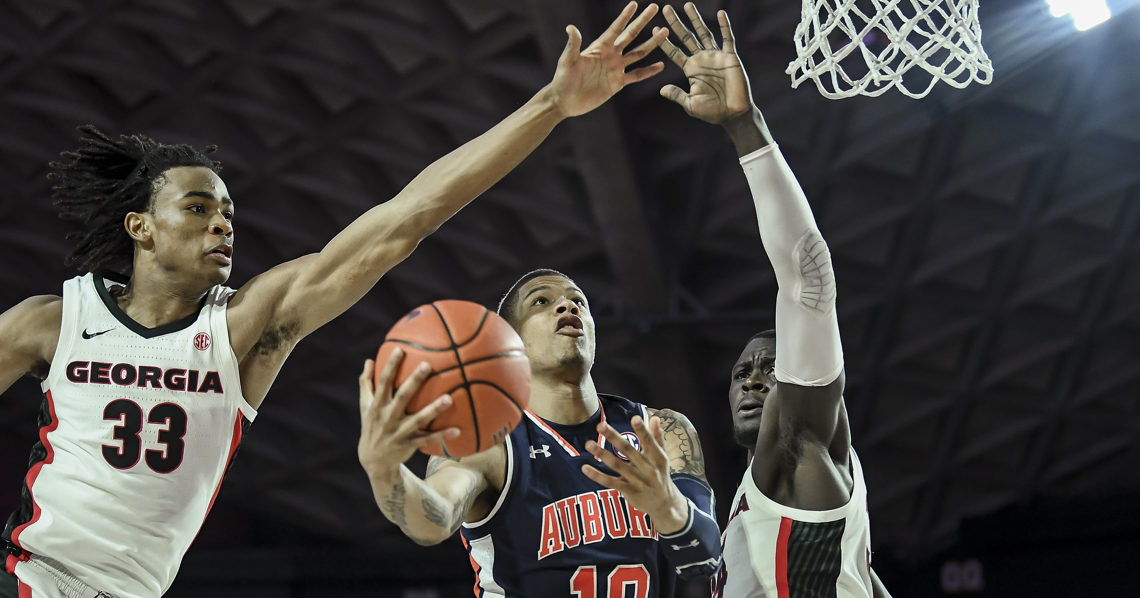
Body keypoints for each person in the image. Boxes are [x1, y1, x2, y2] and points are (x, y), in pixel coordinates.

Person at [0, 3, 669, 596]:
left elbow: (409, 216)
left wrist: (549, 105)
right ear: (141, 227)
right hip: (28, 573)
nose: (222, 224)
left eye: (229, 212)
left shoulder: (246, 327)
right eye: (198, 207)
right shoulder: (53, 323)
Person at [653, 3, 892, 597]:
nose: (753, 381)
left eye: (769, 366)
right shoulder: (762, 500)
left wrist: (745, 126)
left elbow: (806, 280)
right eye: (741, 372)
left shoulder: (800, 443)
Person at [358, 266, 720, 597]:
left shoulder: (661, 429)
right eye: (542, 302)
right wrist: (385, 471)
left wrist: (669, 508)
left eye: (579, 301)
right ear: (508, 342)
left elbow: (705, 561)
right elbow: (431, 522)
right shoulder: (487, 442)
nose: (567, 306)